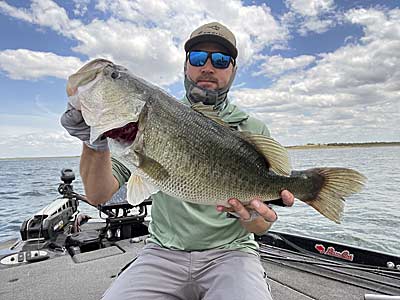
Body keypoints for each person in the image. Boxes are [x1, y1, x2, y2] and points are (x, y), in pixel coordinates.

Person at [61, 22, 294, 300]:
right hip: (161, 252)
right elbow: (98, 193)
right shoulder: (141, 128)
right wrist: (93, 142)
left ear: (233, 70)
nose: (208, 67)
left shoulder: (252, 129)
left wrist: (255, 217)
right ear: (186, 66)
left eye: (220, 60)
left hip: (232, 253)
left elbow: (261, 225)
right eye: (198, 58)